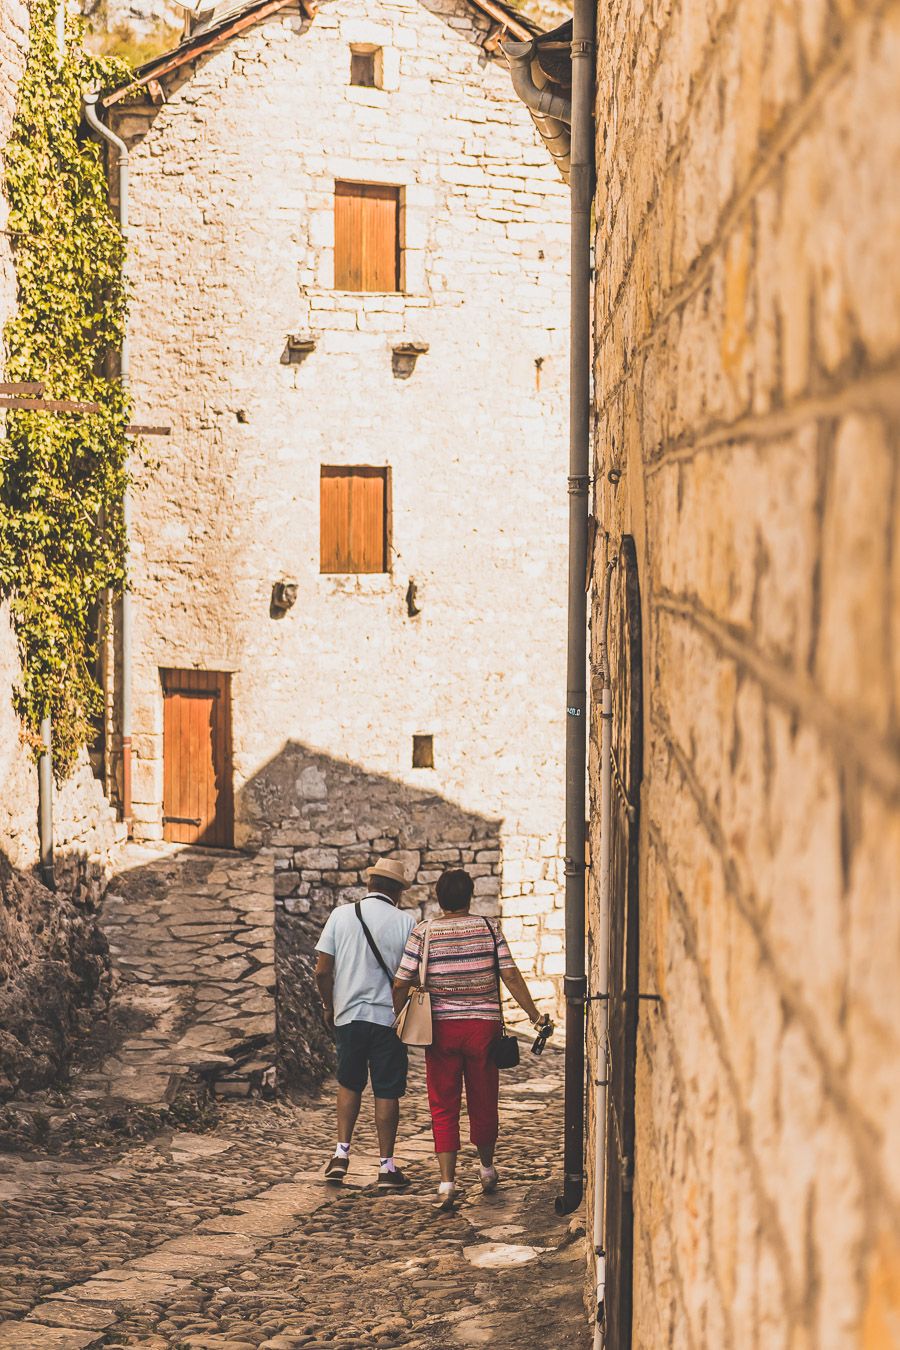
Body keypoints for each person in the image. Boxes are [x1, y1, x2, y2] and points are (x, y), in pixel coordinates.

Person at [392, 868, 550, 1210]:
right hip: (483, 1028)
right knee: (484, 1097)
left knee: (443, 1102)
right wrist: (535, 1016)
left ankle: (447, 1183)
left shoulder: (424, 933)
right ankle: (487, 1168)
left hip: (441, 1029)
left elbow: (401, 982)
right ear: (470, 896)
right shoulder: (489, 928)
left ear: (438, 897)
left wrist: (399, 1016)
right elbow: (509, 974)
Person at [315, 859, 415, 1192]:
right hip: (388, 1020)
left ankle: (340, 1155)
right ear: (398, 891)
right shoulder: (406, 922)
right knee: (387, 1090)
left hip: (349, 1017)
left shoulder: (340, 916)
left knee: (349, 1083)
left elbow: (321, 971)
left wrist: (329, 1006)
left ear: (369, 883)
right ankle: (387, 1167)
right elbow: (411, 977)